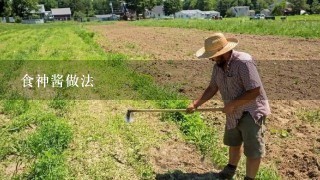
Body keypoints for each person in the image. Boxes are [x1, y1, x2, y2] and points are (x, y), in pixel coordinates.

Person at [186, 33, 271, 180]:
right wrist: (196, 103)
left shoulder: (244, 62)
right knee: (234, 142)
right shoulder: (218, 67)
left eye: (213, 55)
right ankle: (230, 170)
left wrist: (232, 104)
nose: (211, 59)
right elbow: (212, 87)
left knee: (253, 150)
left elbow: (255, 90)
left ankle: (249, 178)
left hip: (251, 112)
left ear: (223, 52)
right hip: (233, 112)